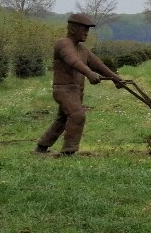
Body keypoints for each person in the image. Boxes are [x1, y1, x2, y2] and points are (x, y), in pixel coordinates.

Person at [36, 13, 126, 156]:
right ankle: (69, 151)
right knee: (77, 115)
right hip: (64, 89)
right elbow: (73, 61)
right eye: (84, 29)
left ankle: (42, 146)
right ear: (72, 29)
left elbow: (98, 64)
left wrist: (115, 78)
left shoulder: (82, 49)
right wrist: (89, 73)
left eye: (88, 30)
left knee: (63, 119)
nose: (86, 33)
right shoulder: (63, 43)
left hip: (76, 90)